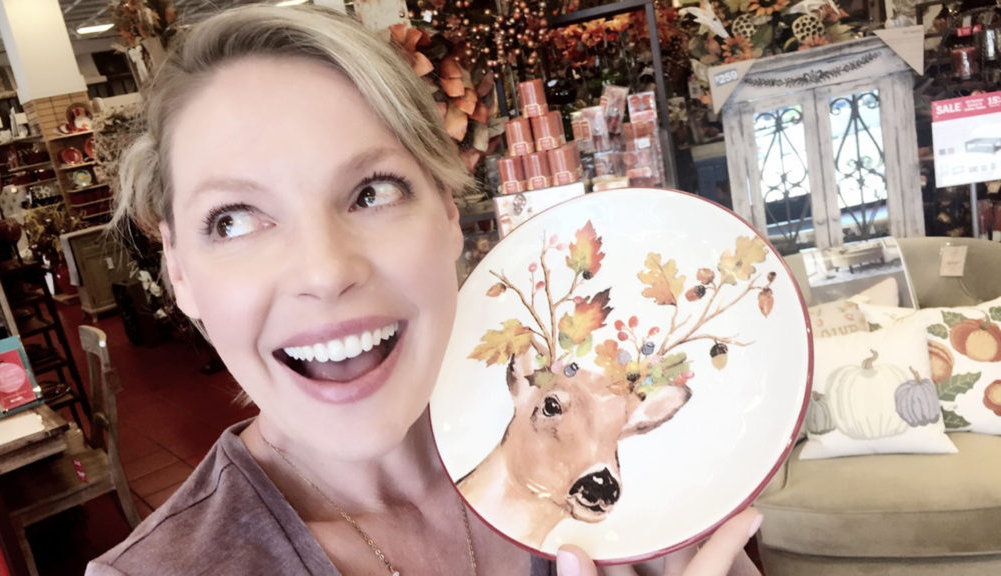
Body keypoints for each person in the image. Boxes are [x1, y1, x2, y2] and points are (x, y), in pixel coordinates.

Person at [88, 6, 763, 575]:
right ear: (180, 271)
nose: (324, 272)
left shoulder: (641, 488)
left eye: (371, 192)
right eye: (233, 220)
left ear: (446, 212)